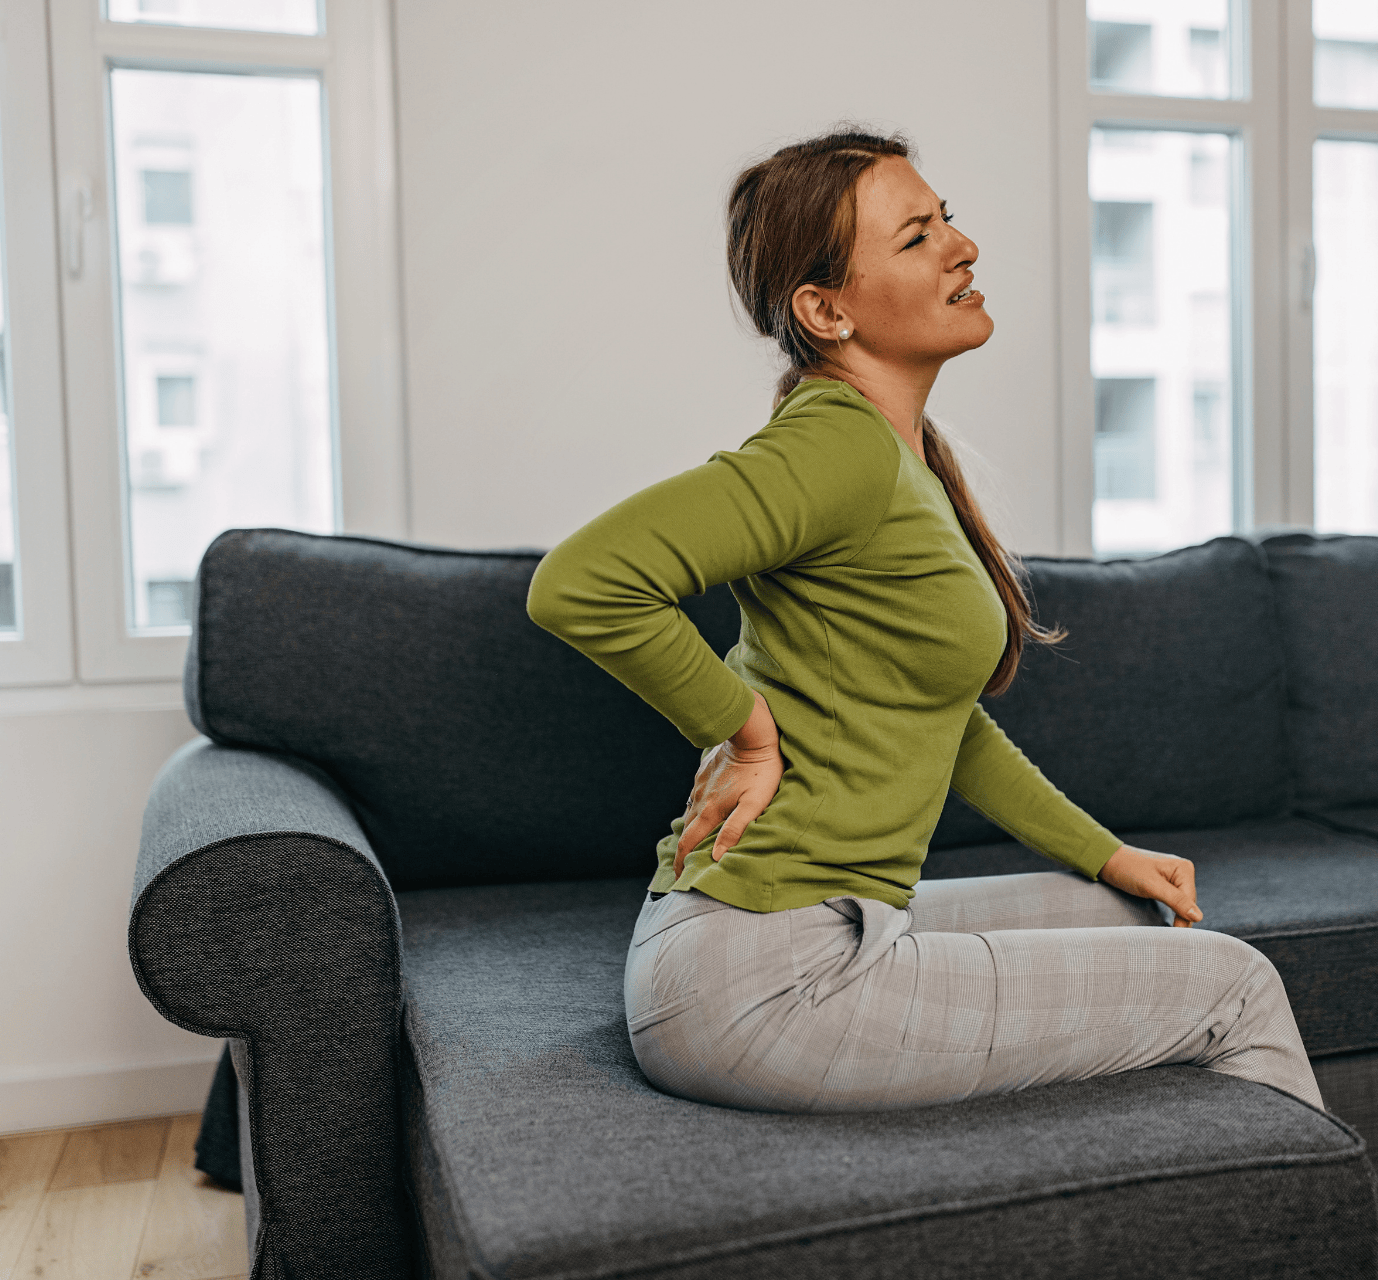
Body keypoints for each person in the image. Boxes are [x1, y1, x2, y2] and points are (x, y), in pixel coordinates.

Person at [527, 128, 1320, 1114]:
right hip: (763, 981)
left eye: (946, 218)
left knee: (1126, 903)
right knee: (1238, 981)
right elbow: (581, 580)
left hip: (811, 932)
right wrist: (745, 729)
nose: (962, 246)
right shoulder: (832, 447)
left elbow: (944, 718)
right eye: (916, 236)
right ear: (826, 308)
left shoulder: (896, 453)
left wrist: (1103, 850)